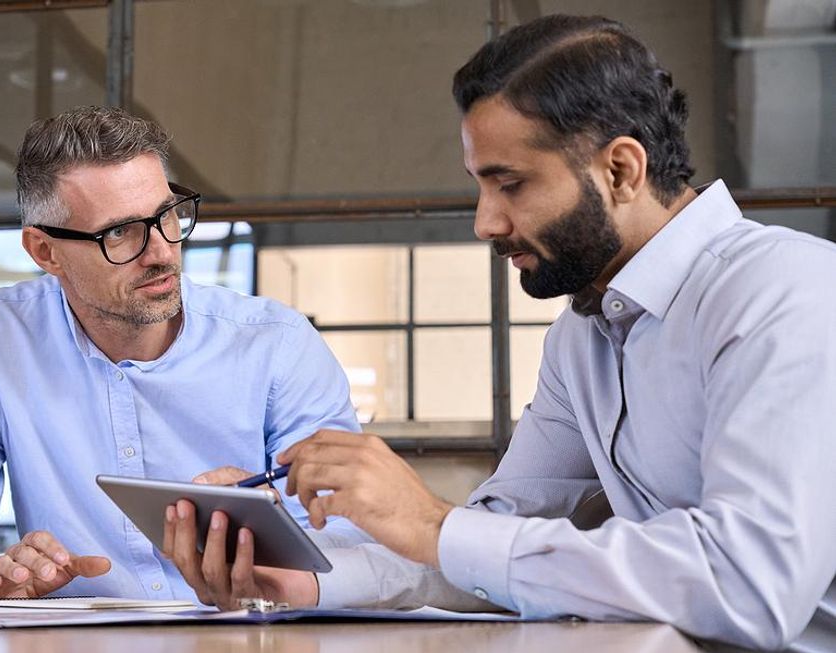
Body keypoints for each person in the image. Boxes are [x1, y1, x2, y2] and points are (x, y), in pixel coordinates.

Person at [172, 15, 836, 652]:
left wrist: (434, 522)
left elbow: (750, 583)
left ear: (623, 171)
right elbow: (495, 544)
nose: (485, 222)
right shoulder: (586, 335)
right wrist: (308, 575)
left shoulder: (785, 293)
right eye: (480, 187)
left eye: (511, 184)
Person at [0, 106, 359, 606]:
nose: (162, 252)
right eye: (119, 233)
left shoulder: (277, 343)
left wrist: (273, 546)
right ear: (45, 252)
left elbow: (359, 547)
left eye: (167, 215)